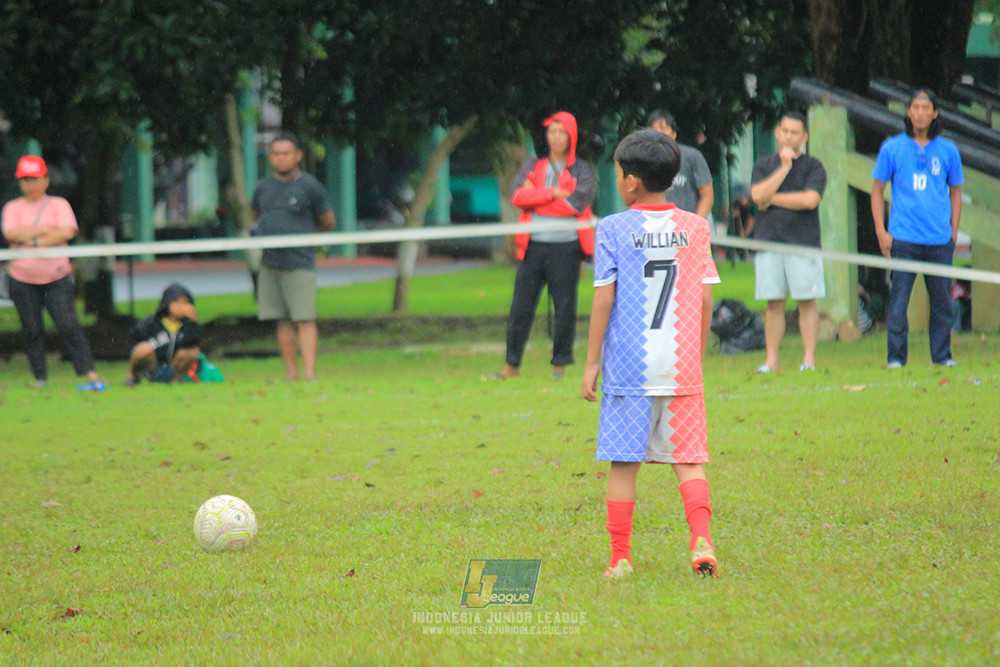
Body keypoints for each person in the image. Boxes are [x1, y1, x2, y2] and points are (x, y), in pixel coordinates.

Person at [582, 129, 721, 579]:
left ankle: (620, 558)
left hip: (629, 367)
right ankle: (701, 538)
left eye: (619, 173)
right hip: (680, 364)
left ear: (631, 183)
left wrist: (591, 361)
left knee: (624, 463)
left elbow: (604, 299)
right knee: (689, 460)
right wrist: (694, 356)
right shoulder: (696, 228)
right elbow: (704, 299)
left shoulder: (614, 228)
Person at [493, 111, 595, 379]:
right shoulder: (532, 166)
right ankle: (512, 364)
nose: (556, 137)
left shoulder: (581, 170)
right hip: (533, 247)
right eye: (552, 131)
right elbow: (517, 196)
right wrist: (552, 193)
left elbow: (577, 204)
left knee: (564, 307)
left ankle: (559, 364)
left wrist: (536, 198)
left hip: (567, 247)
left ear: (571, 136)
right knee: (520, 307)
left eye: (562, 132)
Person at [871, 88, 963, 368]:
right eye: (915, 107)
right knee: (899, 301)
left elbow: (956, 192)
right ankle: (896, 358)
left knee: (942, 303)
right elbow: (877, 190)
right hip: (904, 237)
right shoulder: (892, 148)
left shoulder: (948, 150)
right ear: (908, 112)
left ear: (935, 112)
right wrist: (881, 230)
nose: (920, 113)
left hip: (938, 239)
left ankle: (942, 355)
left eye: (926, 108)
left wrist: (953, 231)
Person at [1, 155, 104, 390]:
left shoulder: (59, 204)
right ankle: (40, 378)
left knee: (68, 325)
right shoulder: (12, 208)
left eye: (36, 178)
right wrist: (46, 232)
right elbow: (11, 233)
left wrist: (32, 239)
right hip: (21, 279)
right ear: (20, 182)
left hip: (57, 277)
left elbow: (66, 232)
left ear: (46, 179)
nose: (31, 184)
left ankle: (89, 373)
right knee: (32, 330)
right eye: (26, 179)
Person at [252, 133, 336, 381]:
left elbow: (327, 221)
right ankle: (291, 374)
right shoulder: (263, 187)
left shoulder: (310, 186)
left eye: (286, 153)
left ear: (297, 155)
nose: (281, 158)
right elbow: (254, 214)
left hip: (299, 262)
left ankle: (310, 374)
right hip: (270, 262)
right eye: (276, 153)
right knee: (282, 320)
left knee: (304, 319)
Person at [750, 111, 827, 373]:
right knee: (774, 303)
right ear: (777, 132)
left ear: (804, 137)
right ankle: (771, 360)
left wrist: (773, 199)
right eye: (785, 131)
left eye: (795, 132)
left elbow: (810, 200)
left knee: (807, 302)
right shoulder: (763, 165)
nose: (789, 136)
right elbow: (758, 195)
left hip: (803, 243)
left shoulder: (813, 166)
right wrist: (783, 169)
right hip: (769, 243)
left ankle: (809, 359)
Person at [125, 283, 202, 385]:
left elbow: (193, 343)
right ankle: (133, 377)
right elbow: (132, 341)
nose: (181, 307)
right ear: (167, 303)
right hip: (153, 366)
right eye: (177, 302)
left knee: (192, 352)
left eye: (186, 303)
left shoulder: (187, 325)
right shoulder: (151, 323)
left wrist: (193, 322)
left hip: (174, 366)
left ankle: (175, 381)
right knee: (143, 349)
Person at [646, 110, 715, 220]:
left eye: (663, 129)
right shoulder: (643, 161)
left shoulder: (692, 157)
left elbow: (707, 196)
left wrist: (696, 224)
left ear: (673, 134)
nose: (658, 134)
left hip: (687, 227)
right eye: (653, 130)